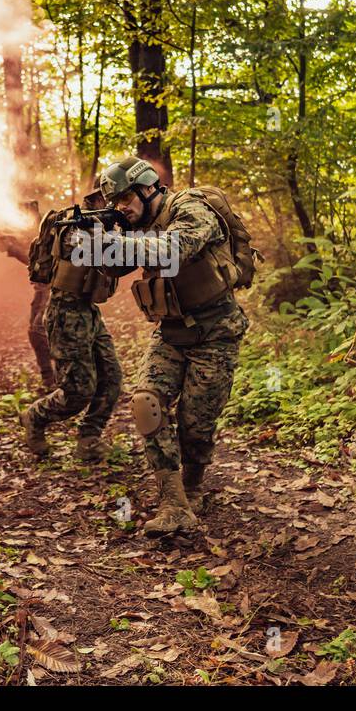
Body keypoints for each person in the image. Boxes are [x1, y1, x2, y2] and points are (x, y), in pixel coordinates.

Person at [97, 158, 249, 536]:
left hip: (216, 333)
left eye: (126, 198)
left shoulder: (189, 206)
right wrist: (92, 242)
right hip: (171, 331)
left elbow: (174, 248)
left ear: (149, 188)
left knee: (196, 427)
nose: (122, 207)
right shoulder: (136, 225)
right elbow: (112, 269)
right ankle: (174, 502)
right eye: (115, 202)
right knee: (146, 403)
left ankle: (195, 486)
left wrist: (118, 242)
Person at [17, 191, 122, 463]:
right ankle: (35, 416)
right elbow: (108, 256)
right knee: (78, 391)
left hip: (88, 312)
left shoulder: (98, 224)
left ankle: (89, 439)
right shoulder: (75, 226)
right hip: (66, 316)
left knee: (111, 378)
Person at [0, 201, 55, 388]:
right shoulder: (30, 233)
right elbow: (33, 261)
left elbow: (40, 263)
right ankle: (51, 378)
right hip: (42, 288)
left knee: (39, 330)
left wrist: (12, 249)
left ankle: (57, 378)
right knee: (36, 331)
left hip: (54, 287)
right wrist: (9, 245)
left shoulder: (49, 229)